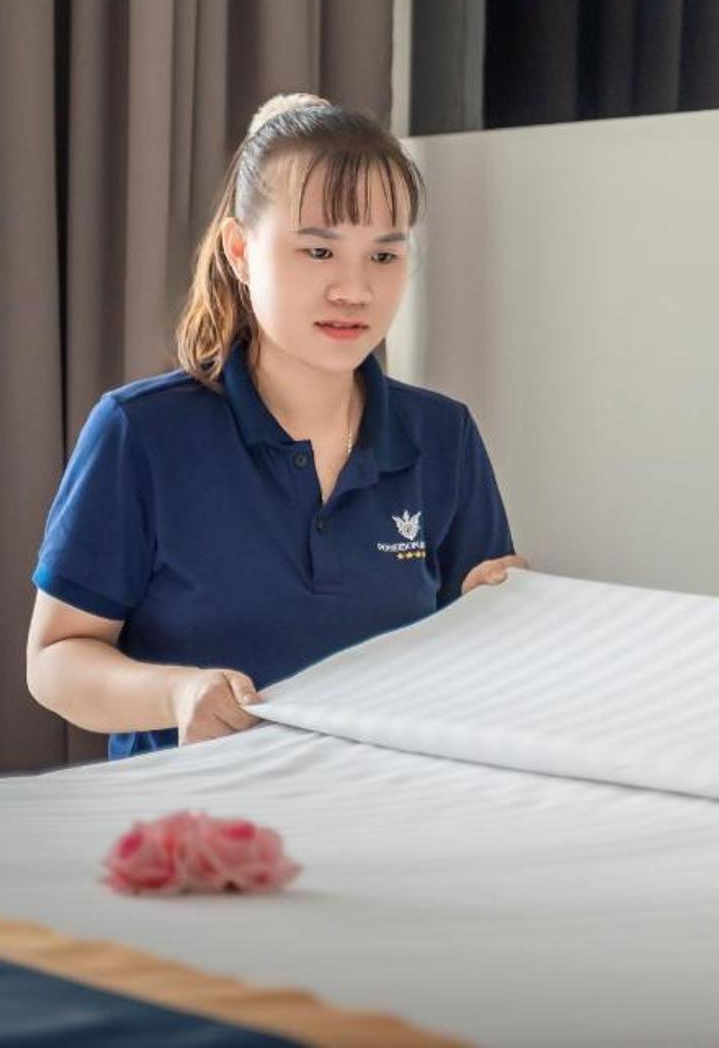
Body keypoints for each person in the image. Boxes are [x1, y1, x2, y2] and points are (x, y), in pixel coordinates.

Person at [26, 94, 524, 757]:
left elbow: (472, 670)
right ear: (239, 250)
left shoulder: (443, 437)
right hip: (196, 812)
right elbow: (55, 660)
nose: (354, 290)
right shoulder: (140, 433)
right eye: (318, 251)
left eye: (383, 256)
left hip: (385, 804)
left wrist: (506, 621)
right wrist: (177, 695)